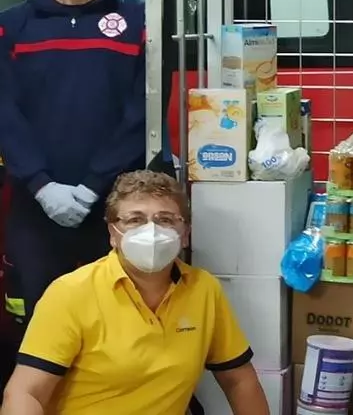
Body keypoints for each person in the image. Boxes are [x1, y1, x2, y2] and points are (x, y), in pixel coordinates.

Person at [0, 170, 270, 414]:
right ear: (113, 233)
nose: (151, 231)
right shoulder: (71, 293)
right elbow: (24, 393)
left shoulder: (203, 289)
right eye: (135, 220)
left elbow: (239, 380)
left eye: (165, 219)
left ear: (185, 233)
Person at [0, 0, 147, 321]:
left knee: (122, 322)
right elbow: (5, 113)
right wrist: (41, 185)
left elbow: (142, 111)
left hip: (117, 206)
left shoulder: (140, 19)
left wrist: (93, 186)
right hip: (36, 209)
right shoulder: (12, 26)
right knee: (44, 326)